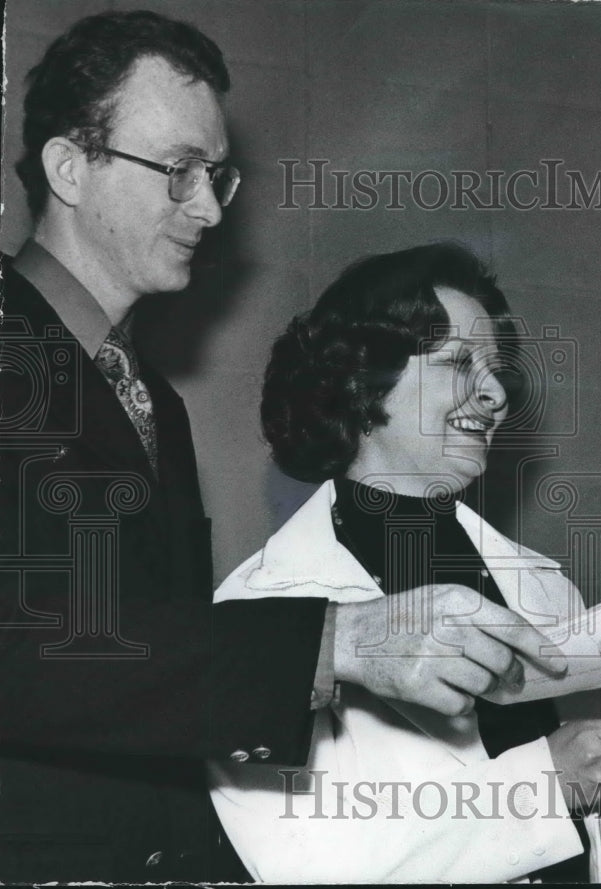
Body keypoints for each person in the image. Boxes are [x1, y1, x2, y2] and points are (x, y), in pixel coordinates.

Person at [0, 11, 562, 882]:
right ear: (70, 168)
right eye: (177, 170)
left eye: (217, 176)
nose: (208, 208)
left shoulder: (150, 398)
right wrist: (336, 642)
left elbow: (157, 666)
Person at [208, 243, 601, 883]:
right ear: (360, 383)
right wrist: (543, 785)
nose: (495, 395)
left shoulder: (545, 587)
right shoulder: (259, 610)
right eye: (459, 363)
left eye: (495, 368)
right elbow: (304, 865)